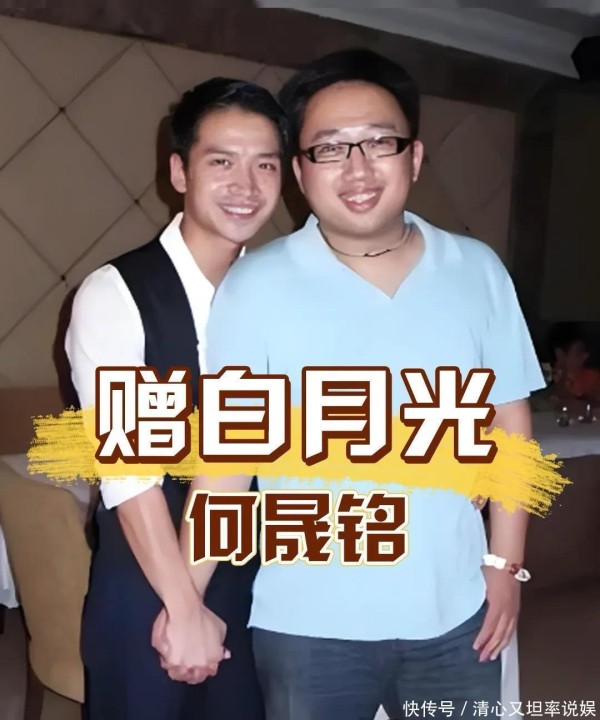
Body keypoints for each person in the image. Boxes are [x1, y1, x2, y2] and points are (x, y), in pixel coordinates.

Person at [174, 50, 545, 719]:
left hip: (457, 610)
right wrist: (184, 599)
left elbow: (509, 425)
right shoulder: (256, 286)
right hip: (307, 626)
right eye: (330, 148)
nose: (358, 168)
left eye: (379, 142)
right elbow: (226, 461)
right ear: (300, 172)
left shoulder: (478, 271)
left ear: (415, 157)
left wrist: (506, 565)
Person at [65, 77, 287, 720]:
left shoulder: (274, 294)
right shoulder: (118, 293)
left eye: (265, 164)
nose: (246, 185)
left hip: (249, 573)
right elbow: (129, 474)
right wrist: (184, 608)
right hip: (147, 575)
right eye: (222, 161)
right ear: (179, 172)